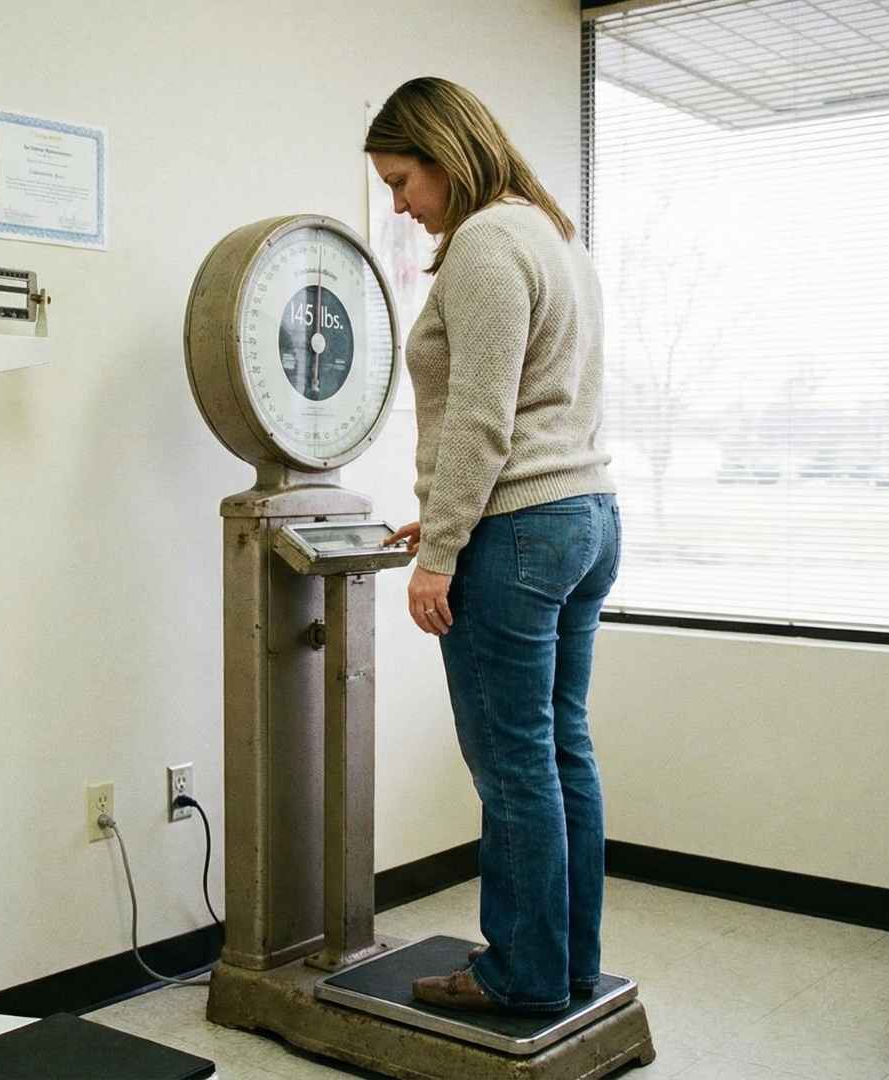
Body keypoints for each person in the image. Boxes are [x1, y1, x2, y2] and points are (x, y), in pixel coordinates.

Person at [366, 77, 620, 1014]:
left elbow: (481, 417)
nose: (399, 203)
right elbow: (546, 404)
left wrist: (443, 553)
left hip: (516, 532)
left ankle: (518, 975)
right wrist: (438, 520)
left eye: (403, 180)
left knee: (513, 764)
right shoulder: (551, 232)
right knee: (561, 752)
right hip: (584, 518)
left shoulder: (482, 245)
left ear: (445, 154)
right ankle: (567, 965)